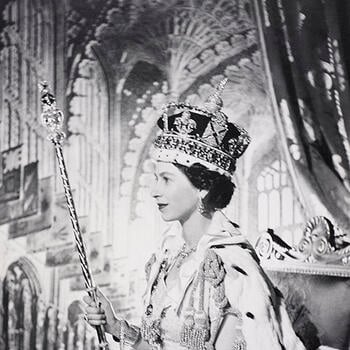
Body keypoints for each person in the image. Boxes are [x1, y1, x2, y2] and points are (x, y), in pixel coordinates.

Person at [83, 79, 306, 350]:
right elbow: (158, 344)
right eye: (155, 177)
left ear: (204, 186)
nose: (154, 190)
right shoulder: (168, 255)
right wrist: (115, 326)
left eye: (166, 179)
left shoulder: (233, 270)